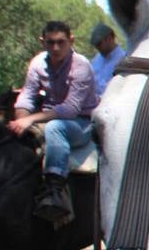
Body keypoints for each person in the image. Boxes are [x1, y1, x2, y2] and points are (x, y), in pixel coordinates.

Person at [9, 20, 98, 224]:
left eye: (61, 42)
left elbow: (70, 109)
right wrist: (21, 121)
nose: (55, 48)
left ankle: (54, 191)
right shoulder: (38, 63)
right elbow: (27, 97)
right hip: (49, 117)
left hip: (81, 122)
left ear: (71, 40)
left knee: (56, 129)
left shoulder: (81, 66)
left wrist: (31, 119)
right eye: (50, 42)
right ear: (42, 42)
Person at [87, 23, 127, 97]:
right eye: (95, 45)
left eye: (99, 43)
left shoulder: (124, 60)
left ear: (109, 38)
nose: (97, 47)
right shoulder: (96, 60)